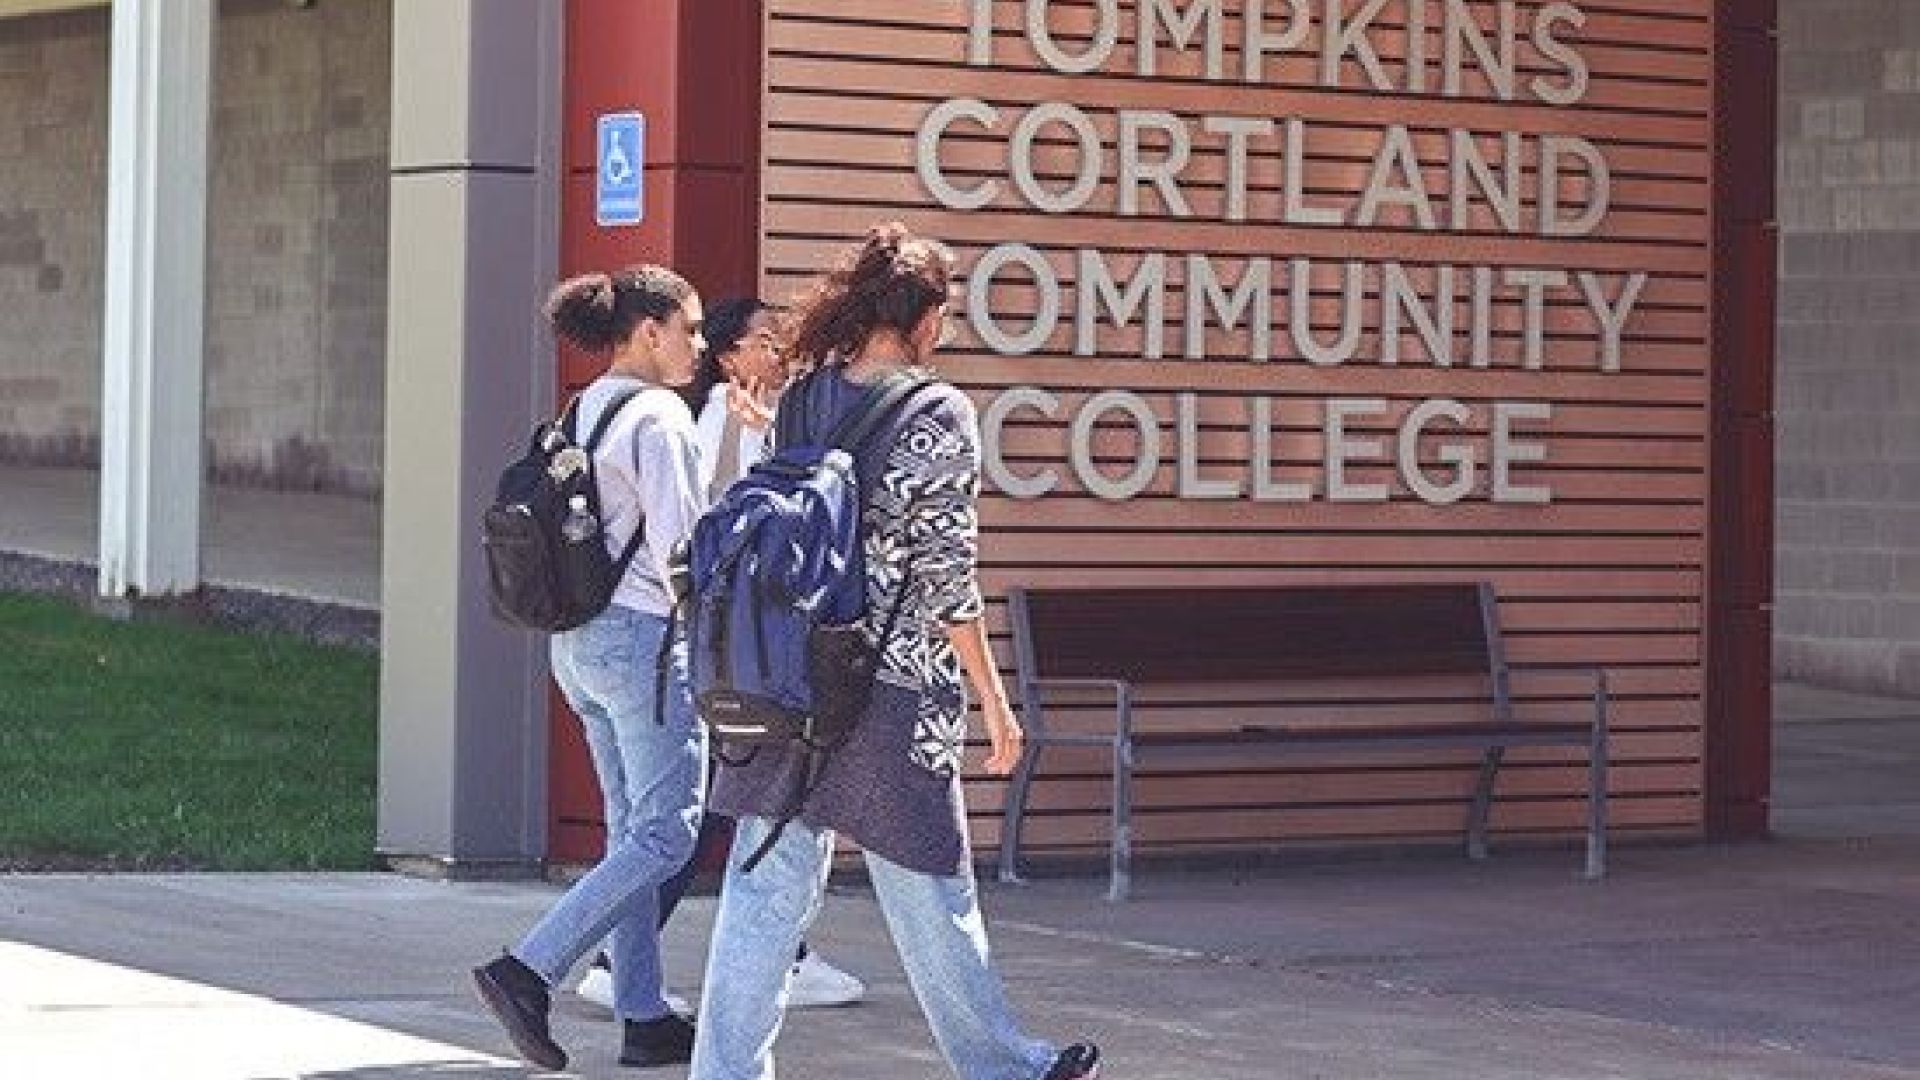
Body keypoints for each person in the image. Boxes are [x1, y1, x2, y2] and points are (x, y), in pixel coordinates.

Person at [687, 223, 1101, 1080]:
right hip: (890, 687)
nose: (944, 332)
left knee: (764, 886)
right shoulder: (937, 410)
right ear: (918, 316)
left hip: (786, 674)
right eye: (943, 314)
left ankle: (722, 1074)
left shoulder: (803, 396)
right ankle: (1005, 1069)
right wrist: (994, 698)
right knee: (928, 880)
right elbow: (949, 575)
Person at [575, 296, 868, 1015]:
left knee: (673, 816)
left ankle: (638, 994)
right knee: (685, 820)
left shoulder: (604, 407)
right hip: (701, 639)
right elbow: (695, 535)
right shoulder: (684, 418)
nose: (778, 355)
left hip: (618, 636)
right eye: (760, 342)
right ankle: (547, 964)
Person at [471, 265, 708, 1072]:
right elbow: (686, 548)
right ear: (649, 331)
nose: (699, 346)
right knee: (668, 831)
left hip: (580, 644)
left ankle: (642, 1012)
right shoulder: (661, 417)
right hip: (644, 646)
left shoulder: (587, 405)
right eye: (692, 329)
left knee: (629, 831)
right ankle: (529, 968)